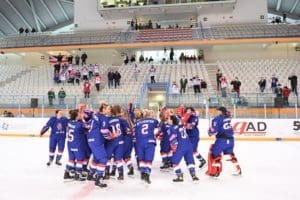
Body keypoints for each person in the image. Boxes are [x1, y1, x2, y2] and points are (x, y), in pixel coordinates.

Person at [206, 106, 242, 177]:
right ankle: (238, 169)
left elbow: (214, 132)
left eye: (218, 111)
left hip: (222, 140)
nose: (217, 112)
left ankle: (216, 172)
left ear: (220, 112)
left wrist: (210, 131)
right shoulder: (228, 118)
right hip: (231, 140)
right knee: (230, 155)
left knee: (215, 155)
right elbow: (230, 115)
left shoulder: (216, 119)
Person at [168, 114, 199, 182]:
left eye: (169, 119)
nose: (168, 120)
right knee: (190, 161)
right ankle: (194, 176)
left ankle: (180, 177)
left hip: (180, 146)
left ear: (172, 121)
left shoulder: (171, 128)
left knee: (174, 162)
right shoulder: (181, 127)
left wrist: (174, 150)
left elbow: (173, 140)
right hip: (188, 145)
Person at [134, 109, 159, 184]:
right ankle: (147, 174)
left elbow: (134, 134)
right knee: (148, 159)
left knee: (141, 159)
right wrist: (157, 136)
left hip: (139, 142)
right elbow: (160, 129)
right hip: (150, 141)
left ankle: (142, 173)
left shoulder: (137, 122)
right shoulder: (154, 121)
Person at [63, 110, 87, 181]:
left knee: (71, 159)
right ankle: (78, 174)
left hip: (70, 144)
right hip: (78, 144)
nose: (80, 115)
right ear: (76, 117)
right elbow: (87, 128)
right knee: (80, 160)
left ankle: (66, 173)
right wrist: (83, 119)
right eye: (79, 114)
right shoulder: (79, 125)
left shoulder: (70, 123)